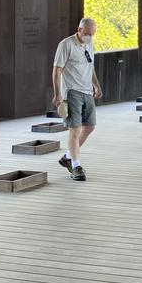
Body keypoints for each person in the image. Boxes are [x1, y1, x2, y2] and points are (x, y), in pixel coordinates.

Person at [53, 18, 102, 181]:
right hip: (72, 91)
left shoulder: (90, 44)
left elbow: (91, 66)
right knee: (75, 129)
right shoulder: (66, 44)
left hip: (87, 90)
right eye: (87, 34)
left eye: (92, 34)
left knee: (90, 126)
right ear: (79, 29)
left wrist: (96, 85)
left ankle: (67, 156)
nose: (89, 37)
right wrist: (58, 93)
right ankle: (76, 166)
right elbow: (57, 70)